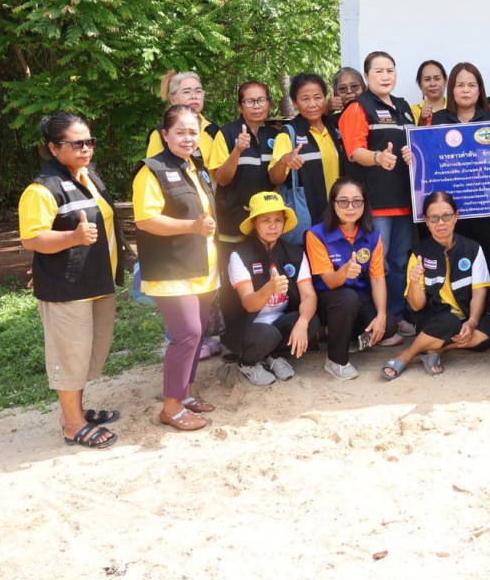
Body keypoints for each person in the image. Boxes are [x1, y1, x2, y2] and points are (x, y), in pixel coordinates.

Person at [20, 113, 124, 448]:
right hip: (68, 287)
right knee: (70, 355)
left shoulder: (89, 176)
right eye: (76, 143)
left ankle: (76, 411)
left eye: (89, 141)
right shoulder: (41, 189)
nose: (86, 149)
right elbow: (32, 238)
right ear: (53, 147)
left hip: (97, 279)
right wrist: (73, 238)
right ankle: (72, 424)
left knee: (90, 351)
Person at [133, 105, 220, 431]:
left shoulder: (196, 166)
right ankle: (171, 407)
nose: (188, 137)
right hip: (172, 269)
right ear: (164, 134)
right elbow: (145, 219)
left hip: (204, 267)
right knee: (187, 335)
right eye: (180, 131)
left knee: (196, 338)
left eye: (193, 131)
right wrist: (190, 228)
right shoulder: (150, 170)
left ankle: (184, 394)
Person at [382, 192, 490, 379]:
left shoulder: (472, 249)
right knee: (449, 322)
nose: (441, 223)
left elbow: (479, 293)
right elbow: (416, 306)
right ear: (426, 221)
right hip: (434, 320)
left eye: (447, 216)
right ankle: (407, 355)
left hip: (464, 317)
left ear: (456, 216)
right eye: (434, 218)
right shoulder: (419, 252)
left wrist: (472, 322)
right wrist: (414, 282)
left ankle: (435, 349)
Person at [340, 51, 417, 334]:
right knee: (376, 265)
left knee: (399, 262)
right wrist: (377, 158)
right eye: (378, 71)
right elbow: (354, 150)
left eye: (390, 70)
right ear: (368, 77)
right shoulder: (358, 108)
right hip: (376, 202)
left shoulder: (404, 106)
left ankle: (396, 317)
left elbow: (415, 143)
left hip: (406, 201)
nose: (385, 76)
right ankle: (376, 324)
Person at [224, 191, 320, 386]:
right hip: (247, 327)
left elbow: (309, 295)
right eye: (265, 220)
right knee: (268, 335)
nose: (273, 226)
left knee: (312, 321)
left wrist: (302, 322)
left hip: (278, 321)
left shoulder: (294, 253)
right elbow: (249, 305)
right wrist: (270, 288)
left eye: (278, 219)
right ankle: (247, 362)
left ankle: (273, 357)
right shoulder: (239, 255)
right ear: (254, 223)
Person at [306, 178, 396, 380]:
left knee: (389, 324)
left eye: (357, 201)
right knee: (346, 297)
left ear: (364, 204)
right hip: (329, 299)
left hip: (360, 298)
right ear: (333, 203)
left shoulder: (373, 234)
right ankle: (336, 361)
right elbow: (329, 281)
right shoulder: (316, 234)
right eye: (343, 201)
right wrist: (344, 272)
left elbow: (378, 279)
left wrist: (381, 315)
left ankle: (349, 339)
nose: (350, 207)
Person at [431, 62, 490, 286]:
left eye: (471, 85)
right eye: (460, 85)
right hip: (451, 205)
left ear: (480, 90)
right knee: (456, 259)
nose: (466, 90)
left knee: (489, 255)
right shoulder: (438, 120)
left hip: (487, 204)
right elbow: (431, 160)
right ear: (452, 90)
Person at [208, 81, 281, 263]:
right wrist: (237, 150)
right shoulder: (226, 133)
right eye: (249, 101)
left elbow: (279, 180)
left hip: (266, 224)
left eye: (261, 100)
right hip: (233, 223)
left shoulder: (276, 135)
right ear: (240, 106)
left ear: (269, 104)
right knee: (233, 281)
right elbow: (222, 179)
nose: (256, 106)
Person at [270, 73, 346, 227]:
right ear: (295, 103)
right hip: (309, 218)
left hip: (341, 214)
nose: (312, 104)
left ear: (325, 98)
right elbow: (274, 178)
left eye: (318, 97)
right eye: (305, 99)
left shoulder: (336, 127)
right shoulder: (289, 133)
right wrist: (285, 160)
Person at [146, 71, 219, 162]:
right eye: (186, 92)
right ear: (173, 99)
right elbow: (153, 169)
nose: (194, 96)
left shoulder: (213, 130)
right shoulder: (161, 133)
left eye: (198, 91)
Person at [411, 60, 448, 125]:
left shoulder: (454, 107)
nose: (433, 84)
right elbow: (414, 135)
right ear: (419, 84)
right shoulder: (413, 111)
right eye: (427, 79)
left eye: (437, 79)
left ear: (445, 81)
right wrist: (422, 119)